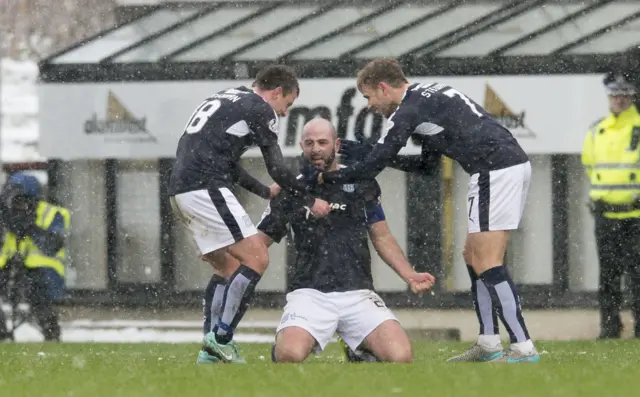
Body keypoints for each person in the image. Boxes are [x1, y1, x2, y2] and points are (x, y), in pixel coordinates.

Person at [309, 58, 539, 363]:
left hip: (495, 170)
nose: (369, 105)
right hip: (499, 166)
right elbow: (427, 166)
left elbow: (374, 165)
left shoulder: (408, 110)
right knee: (473, 256)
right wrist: (370, 154)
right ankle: (488, 342)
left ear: (383, 87)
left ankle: (523, 347)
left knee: (487, 260)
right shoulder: (426, 98)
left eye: (368, 97)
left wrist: (328, 177)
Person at [198, 117, 434, 364]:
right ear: (301, 146)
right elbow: (258, 243)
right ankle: (287, 340)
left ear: (337, 144)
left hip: (359, 294)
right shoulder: (292, 190)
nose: (316, 149)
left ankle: (359, 349)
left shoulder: (362, 183)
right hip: (309, 294)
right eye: (309, 143)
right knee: (289, 356)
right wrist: (224, 247)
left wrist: (409, 274)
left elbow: (382, 237)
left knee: (401, 357)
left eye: (323, 142)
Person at [168, 64, 330, 363]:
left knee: (228, 267)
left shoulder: (227, 96)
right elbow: (278, 167)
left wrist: (264, 191)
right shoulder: (261, 109)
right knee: (257, 257)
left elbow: (226, 160)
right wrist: (309, 199)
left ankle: (211, 349)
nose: (283, 113)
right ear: (276, 92)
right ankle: (221, 339)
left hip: (181, 189)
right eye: (287, 104)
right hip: (206, 188)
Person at [581, 71, 640, 339]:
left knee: (637, 277)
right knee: (608, 276)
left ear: (632, 97)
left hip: (635, 215)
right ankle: (609, 327)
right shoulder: (597, 130)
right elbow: (590, 165)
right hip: (605, 215)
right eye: (613, 94)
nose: (617, 99)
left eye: (623, 95)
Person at [0, 172, 70, 341]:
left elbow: (52, 245)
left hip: (45, 271)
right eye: (13, 201)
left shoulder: (53, 214)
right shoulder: (7, 217)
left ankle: (50, 330)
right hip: (11, 266)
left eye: (21, 200)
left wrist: (31, 227)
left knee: (35, 287)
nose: (17, 206)